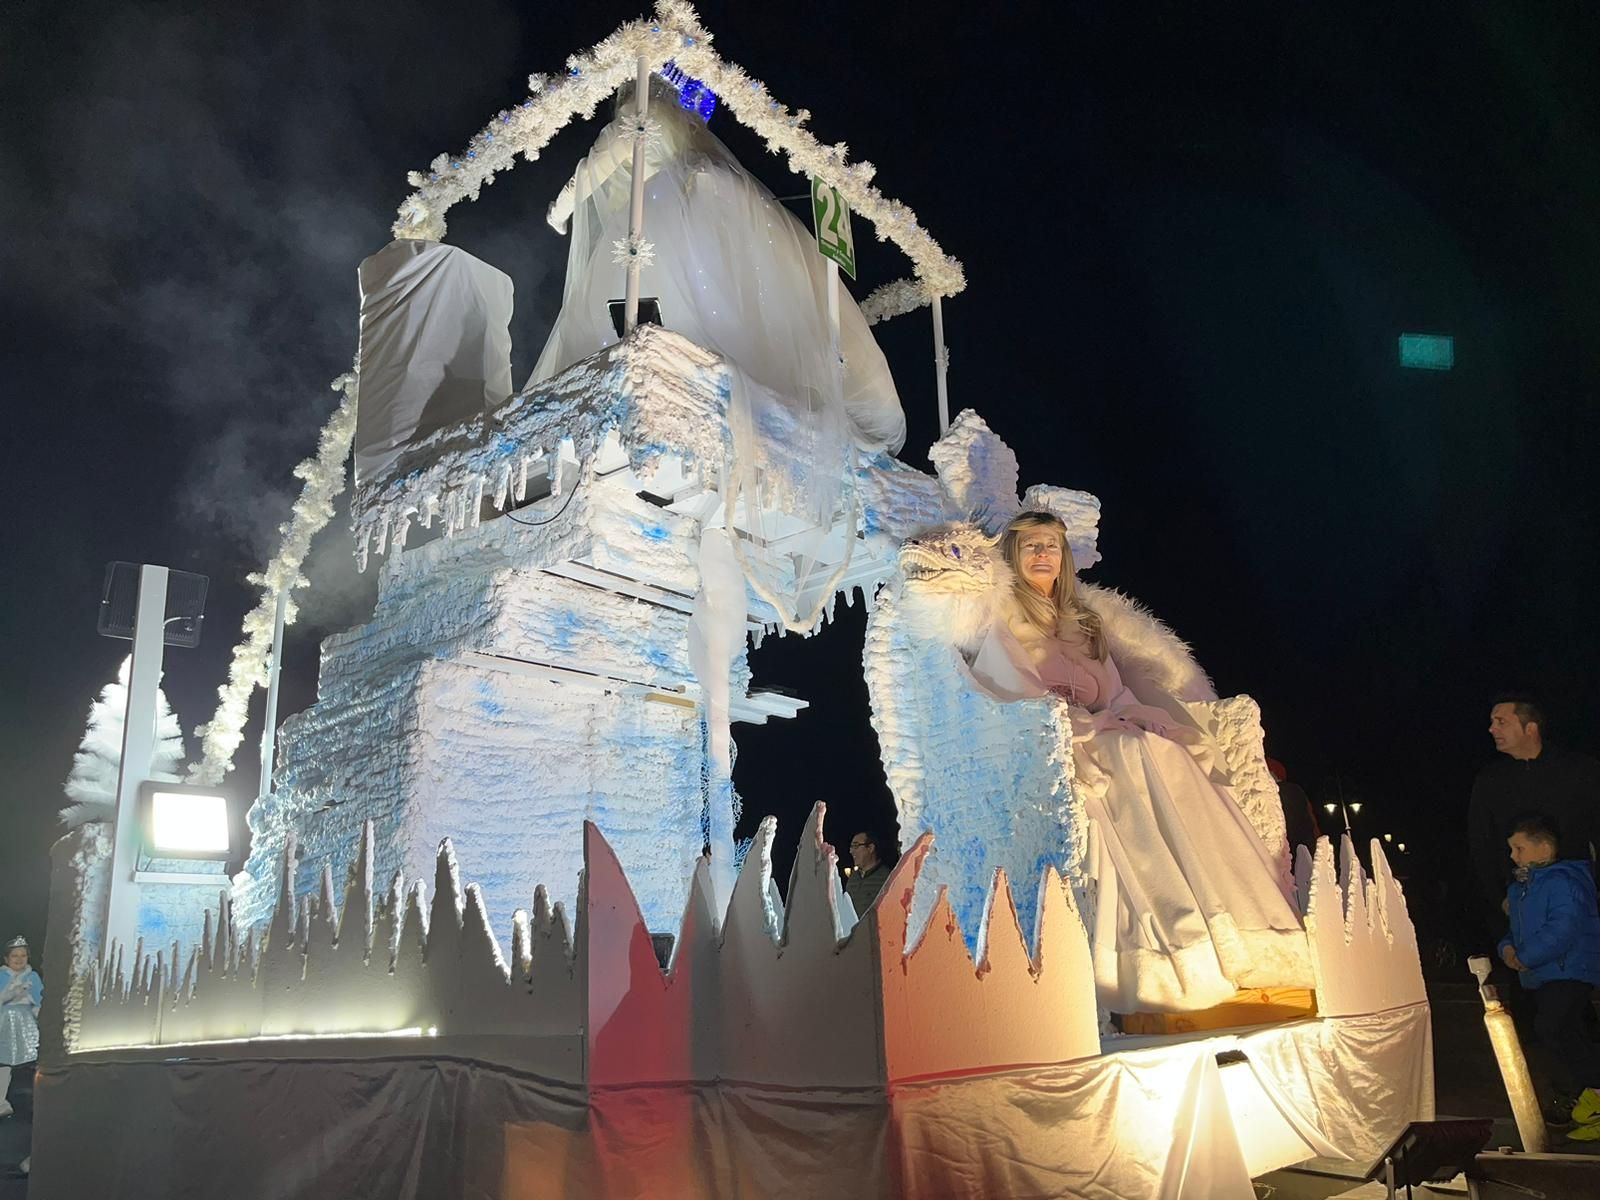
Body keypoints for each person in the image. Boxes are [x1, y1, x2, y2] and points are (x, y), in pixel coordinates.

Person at [968, 511, 1312, 1013]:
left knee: (1166, 750)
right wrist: (1088, 727)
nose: (1043, 554)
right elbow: (1012, 695)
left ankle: (1238, 926)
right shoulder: (1000, 624)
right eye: (1031, 546)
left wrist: (1138, 718)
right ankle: (1167, 940)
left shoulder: (1081, 626)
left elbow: (1116, 693)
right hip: (1055, 738)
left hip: (1103, 728)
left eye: (1051, 546)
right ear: (1013, 556)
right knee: (1129, 753)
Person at [1497, 816, 1600, 1139]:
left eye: (1519, 848)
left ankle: (1588, 1093)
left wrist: (1525, 957)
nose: (1513, 856)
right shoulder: (1521, 889)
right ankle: (1581, 1099)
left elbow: (1563, 928)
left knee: (1553, 1026)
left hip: (1570, 968)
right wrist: (1507, 950)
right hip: (1545, 972)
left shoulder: (1564, 881)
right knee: (1563, 1030)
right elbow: (1515, 932)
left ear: (1543, 848)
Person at [1470, 696, 1600, 930]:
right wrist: (1498, 898)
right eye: (1492, 722)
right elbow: (1481, 844)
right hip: (1521, 901)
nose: (1492, 729)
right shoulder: (1490, 781)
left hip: (1577, 898)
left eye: (1501, 722)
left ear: (1530, 728)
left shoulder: (1580, 770)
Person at [0, 936, 42, 1119]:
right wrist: (10, 994)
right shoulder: (2, 976)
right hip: (4, 1023)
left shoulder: (32, 976)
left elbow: (40, 999)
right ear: (6, 959)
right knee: (4, 1062)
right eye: (14, 956)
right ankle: (1, 1101)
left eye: (23, 955)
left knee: (32, 1060)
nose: (19, 959)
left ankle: (38, 1100)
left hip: (27, 1024)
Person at [844, 831, 888, 916]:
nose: (851, 851)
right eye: (851, 847)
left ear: (871, 848)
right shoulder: (853, 878)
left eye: (856, 846)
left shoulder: (886, 879)